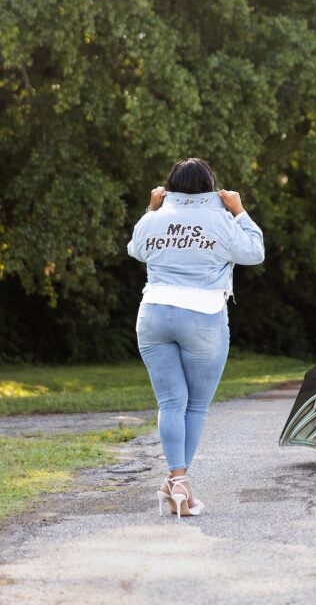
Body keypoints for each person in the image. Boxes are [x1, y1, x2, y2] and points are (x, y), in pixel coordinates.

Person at [127, 157, 264, 519]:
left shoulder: (154, 218)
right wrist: (239, 211)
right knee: (195, 406)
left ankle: (174, 480)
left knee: (171, 403)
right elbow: (254, 252)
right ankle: (180, 482)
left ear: (169, 186)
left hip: (153, 314)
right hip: (203, 317)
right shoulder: (221, 218)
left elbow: (135, 249)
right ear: (210, 186)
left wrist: (151, 207)